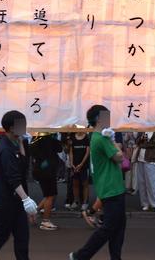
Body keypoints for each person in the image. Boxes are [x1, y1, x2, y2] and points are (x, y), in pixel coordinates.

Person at [0, 111, 38, 260]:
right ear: (11, 128)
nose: (25, 127)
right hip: (4, 201)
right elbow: (13, 178)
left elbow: (23, 166)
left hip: (16, 199)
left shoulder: (15, 143)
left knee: (22, 236)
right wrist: (26, 199)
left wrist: (21, 142)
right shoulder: (5, 148)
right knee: (1, 236)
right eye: (21, 125)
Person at [69, 105, 126, 260]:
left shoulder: (98, 137)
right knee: (109, 229)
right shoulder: (101, 138)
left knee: (118, 229)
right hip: (111, 188)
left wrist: (111, 140)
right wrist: (113, 141)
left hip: (113, 187)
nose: (110, 118)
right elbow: (120, 157)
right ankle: (80, 256)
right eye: (107, 115)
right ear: (98, 118)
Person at [30, 132, 62, 230]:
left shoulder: (34, 139)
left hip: (39, 169)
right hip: (48, 170)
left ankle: (34, 212)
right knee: (50, 195)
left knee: (49, 194)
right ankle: (45, 221)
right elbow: (59, 148)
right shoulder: (50, 140)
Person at [134, 131, 155, 212]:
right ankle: (145, 203)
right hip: (140, 158)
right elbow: (137, 141)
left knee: (152, 183)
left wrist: (142, 144)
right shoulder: (142, 130)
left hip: (151, 159)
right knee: (141, 182)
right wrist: (141, 139)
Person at [70, 131, 91, 211]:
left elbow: (87, 152)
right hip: (75, 165)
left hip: (84, 165)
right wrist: (71, 163)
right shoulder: (73, 137)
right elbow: (71, 152)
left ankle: (85, 202)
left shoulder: (86, 137)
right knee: (75, 183)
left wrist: (81, 164)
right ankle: (76, 201)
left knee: (85, 183)